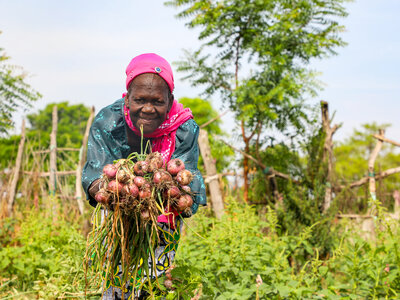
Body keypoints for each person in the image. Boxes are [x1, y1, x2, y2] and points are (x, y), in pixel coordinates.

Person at [82, 53, 207, 299]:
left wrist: (176, 191)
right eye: (140, 99)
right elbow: (95, 173)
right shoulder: (108, 121)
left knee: (155, 285)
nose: (148, 109)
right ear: (127, 98)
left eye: (158, 101)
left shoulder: (184, 128)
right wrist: (111, 191)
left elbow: (188, 174)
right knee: (117, 283)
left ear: (170, 100)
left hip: (164, 216)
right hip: (116, 217)